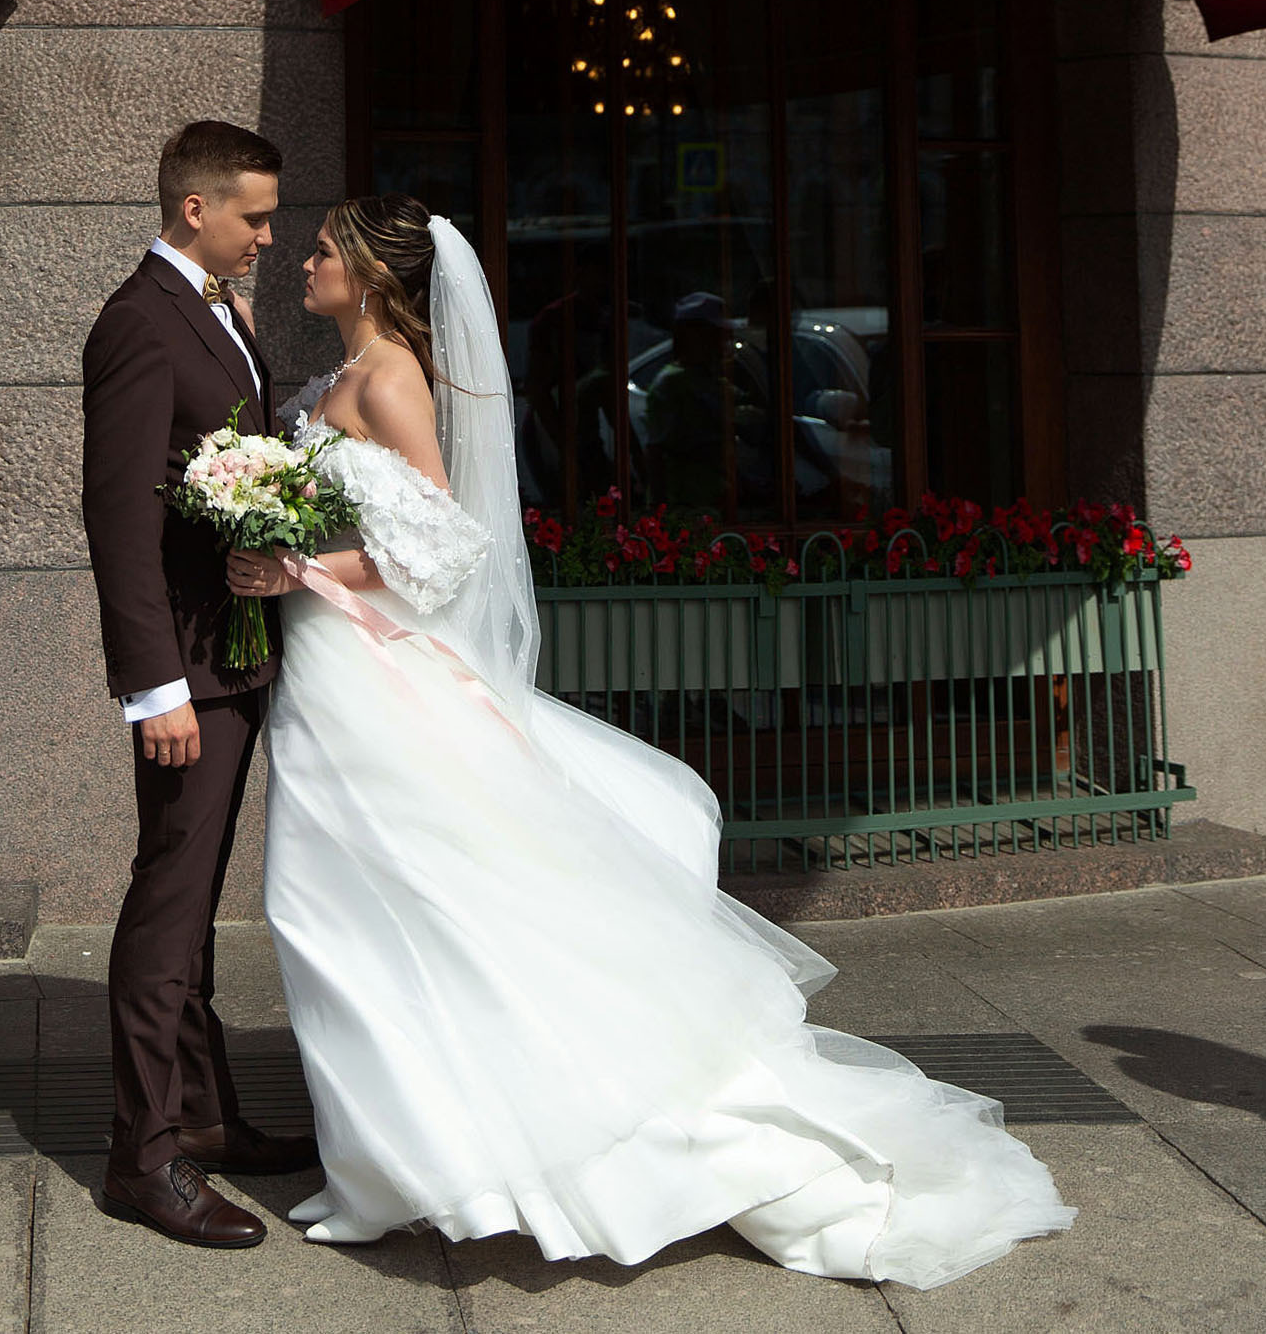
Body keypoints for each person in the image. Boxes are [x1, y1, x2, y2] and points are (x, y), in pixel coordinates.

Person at [227, 196, 1076, 1286]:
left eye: (323, 251)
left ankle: (427, 1161)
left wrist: (296, 568)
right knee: (349, 911)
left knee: (359, 904)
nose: (303, 262)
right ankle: (391, 1161)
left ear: (374, 275)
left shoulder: (389, 374)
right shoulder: (345, 374)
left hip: (365, 675)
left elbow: (437, 546)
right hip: (336, 672)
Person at [80, 117, 321, 1249]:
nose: (269, 235)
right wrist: (152, 686)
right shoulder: (138, 320)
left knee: (195, 906)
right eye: (255, 215)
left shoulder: (217, 310)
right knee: (167, 902)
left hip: (234, 650)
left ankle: (204, 1115)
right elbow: (120, 518)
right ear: (195, 208)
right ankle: (145, 1154)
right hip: (186, 670)